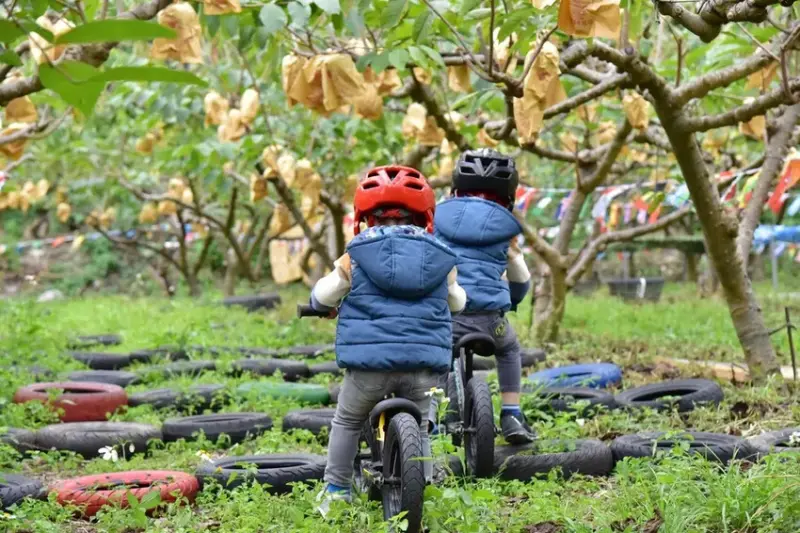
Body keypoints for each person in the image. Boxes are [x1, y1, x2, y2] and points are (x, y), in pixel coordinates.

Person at [308, 165, 466, 515]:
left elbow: (325, 293)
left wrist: (319, 305)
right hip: (424, 366)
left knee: (347, 421)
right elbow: (458, 302)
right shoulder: (441, 256)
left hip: (370, 369)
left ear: (364, 217)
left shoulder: (357, 254)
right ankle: (422, 482)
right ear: (425, 214)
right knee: (422, 425)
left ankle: (335, 492)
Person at [434, 148, 535, 444]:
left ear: (455, 189)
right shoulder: (506, 230)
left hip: (448, 319)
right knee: (509, 349)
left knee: (438, 356)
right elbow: (521, 278)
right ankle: (512, 413)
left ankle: (442, 416)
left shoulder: (437, 220)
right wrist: (513, 299)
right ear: (509, 196)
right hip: (491, 321)